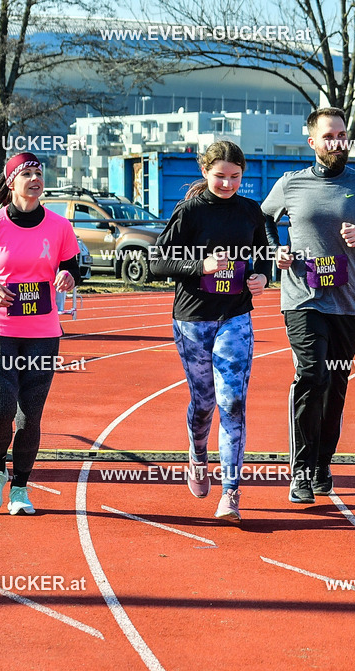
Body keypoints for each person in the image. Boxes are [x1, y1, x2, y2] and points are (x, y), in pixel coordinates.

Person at [261, 107, 355, 504]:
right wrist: (276, 249)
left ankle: (322, 464)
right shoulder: (291, 183)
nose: (337, 142)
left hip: (349, 303)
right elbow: (262, 219)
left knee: (335, 384)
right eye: (329, 136)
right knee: (312, 376)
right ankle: (301, 471)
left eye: (342, 135)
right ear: (313, 142)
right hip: (303, 298)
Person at [150, 141, 271, 522]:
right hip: (193, 319)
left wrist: (262, 277)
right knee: (204, 403)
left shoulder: (250, 211)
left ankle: (230, 492)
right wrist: (200, 266)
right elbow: (157, 262)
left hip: (235, 316)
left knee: (232, 403)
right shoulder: (190, 211)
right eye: (220, 176)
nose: (228, 184)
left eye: (235, 177)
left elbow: (264, 255)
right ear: (205, 172)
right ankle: (198, 452)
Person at [0, 152, 81, 515]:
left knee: (30, 414)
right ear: (11, 182)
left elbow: (72, 266)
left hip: (43, 331)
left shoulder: (60, 226)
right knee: (1, 409)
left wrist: (68, 276)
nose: (34, 179)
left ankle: (21, 488)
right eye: (26, 173)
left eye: (38, 173)